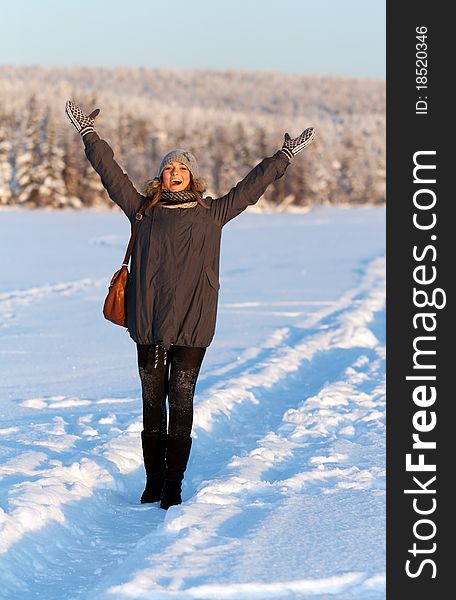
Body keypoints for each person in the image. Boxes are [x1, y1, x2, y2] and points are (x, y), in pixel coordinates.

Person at [65, 100, 315, 510]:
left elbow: (252, 187)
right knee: (151, 404)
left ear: (192, 176)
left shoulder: (212, 214)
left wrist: (282, 157)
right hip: (148, 322)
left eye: (182, 169)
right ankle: (153, 481)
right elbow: (110, 174)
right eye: (168, 168)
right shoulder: (141, 211)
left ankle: (174, 485)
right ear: (160, 177)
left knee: (181, 402)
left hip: (194, 323)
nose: (175, 173)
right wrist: (89, 134)